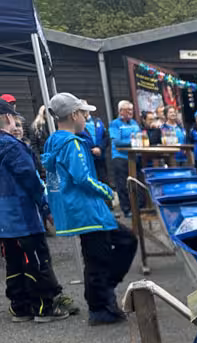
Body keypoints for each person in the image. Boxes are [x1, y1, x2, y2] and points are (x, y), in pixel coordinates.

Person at [41, 92, 137, 325]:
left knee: (113, 247)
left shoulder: (53, 142)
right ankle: (101, 306)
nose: (87, 118)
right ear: (74, 115)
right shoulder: (72, 143)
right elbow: (82, 178)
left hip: (79, 210)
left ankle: (103, 297)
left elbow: (56, 180)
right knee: (100, 258)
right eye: (84, 113)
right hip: (87, 210)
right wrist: (107, 191)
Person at [0, 98, 74, 322]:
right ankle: (43, 307)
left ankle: (20, 307)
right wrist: (45, 206)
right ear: (9, 118)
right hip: (23, 216)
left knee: (14, 263)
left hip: (5, 222)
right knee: (36, 261)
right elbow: (30, 180)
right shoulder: (12, 146)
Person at [109, 101, 140, 217]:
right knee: (122, 184)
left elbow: (140, 136)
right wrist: (133, 142)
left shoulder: (134, 123)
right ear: (121, 111)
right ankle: (126, 209)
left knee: (136, 183)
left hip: (134, 157)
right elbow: (117, 141)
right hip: (120, 157)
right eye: (128, 110)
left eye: (131, 110)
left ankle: (138, 207)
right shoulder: (115, 124)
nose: (131, 112)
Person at [80, 103, 109, 184]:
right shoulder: (78, 125)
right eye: (81, 110)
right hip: (87, 157)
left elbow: (106, 137)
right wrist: (91, 150)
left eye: (85, 109)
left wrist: (100, 148)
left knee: (104, 180)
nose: (84, 111)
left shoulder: (98, 121)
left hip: (100, 156)